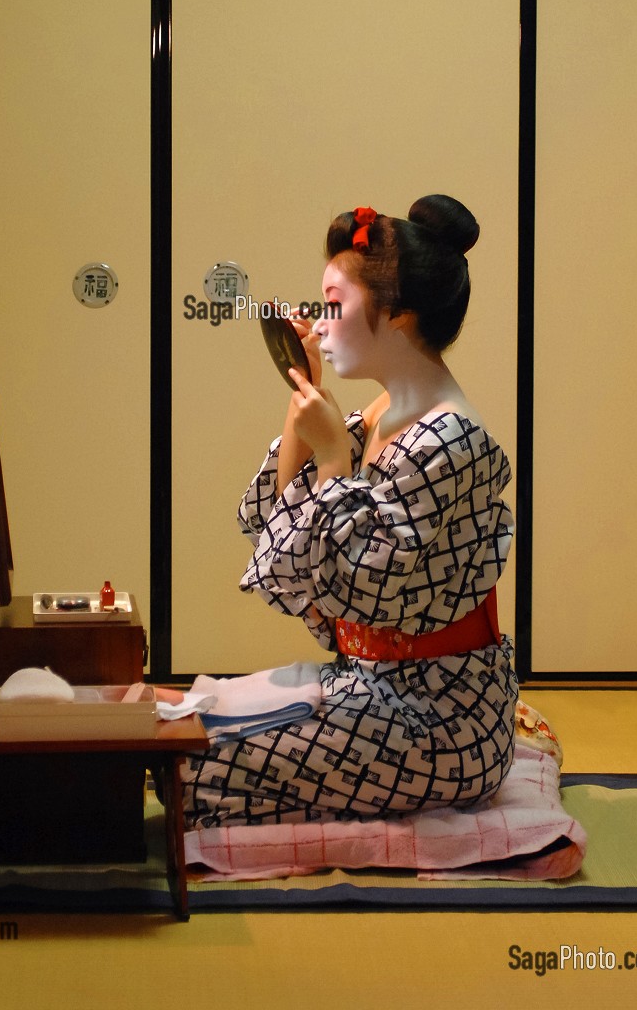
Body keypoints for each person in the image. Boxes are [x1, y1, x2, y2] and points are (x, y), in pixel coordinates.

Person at [181, 195, 518, 828]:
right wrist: (304, 395)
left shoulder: (452, 440)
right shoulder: (382, 414)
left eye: (336, 306)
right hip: (370, 686)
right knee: (196, 725)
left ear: (397, 315)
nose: (322, 321)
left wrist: (336, 458)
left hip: (443, 719)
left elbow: (364, 585)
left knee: (197, 763)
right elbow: (274, 538)